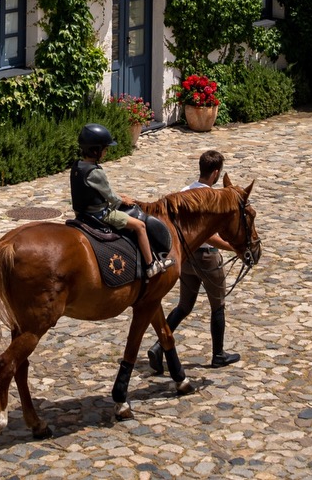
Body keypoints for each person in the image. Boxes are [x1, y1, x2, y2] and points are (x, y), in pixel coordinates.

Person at [150, 148, 240, 371]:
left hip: (186, 258)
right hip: (207, 258)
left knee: (184, 305)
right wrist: (231, 246)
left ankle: (159, 347)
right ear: (216, 173)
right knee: (218, 304)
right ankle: (218, 354)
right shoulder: (210, 198)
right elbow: (207, 235)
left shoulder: (184, 191)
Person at [71, 123, 172, 278]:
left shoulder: (77, 166)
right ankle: (152, 265)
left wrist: (119, 196)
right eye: (105, 149)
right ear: (96, 150)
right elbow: (110, 197)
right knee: (140, 226)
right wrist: (122, 201)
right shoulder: (96, 172)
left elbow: (99, 191)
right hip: (100, 214)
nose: (106, 152)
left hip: (81, 212)